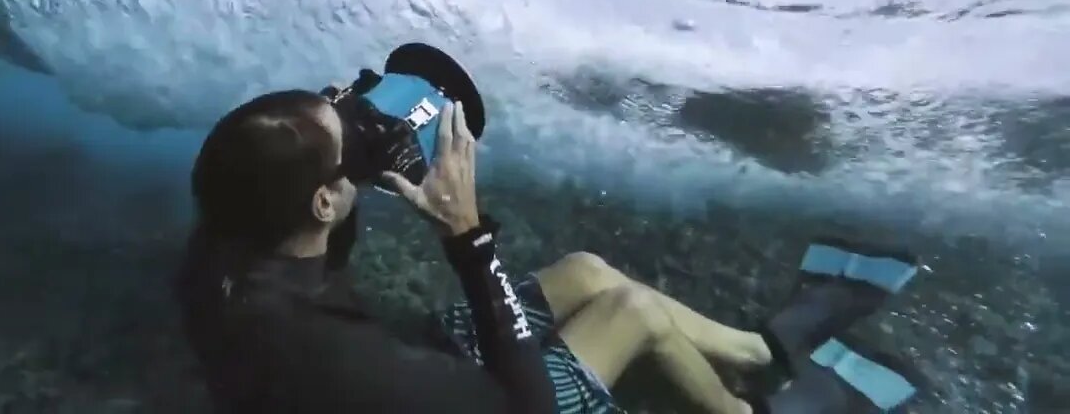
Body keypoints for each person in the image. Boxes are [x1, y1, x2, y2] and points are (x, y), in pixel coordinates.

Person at [175, 88, 921, 413]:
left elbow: (314, 237)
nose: (358, 122)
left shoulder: (226, 240)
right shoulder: (332, 358)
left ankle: (762, 351)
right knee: (628, 310)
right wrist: (468, 239)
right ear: (323, 201)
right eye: (348, 139)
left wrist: (346, 148)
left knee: (585, 275)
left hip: (377, 378)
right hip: (482, 406)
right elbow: (519, 406)